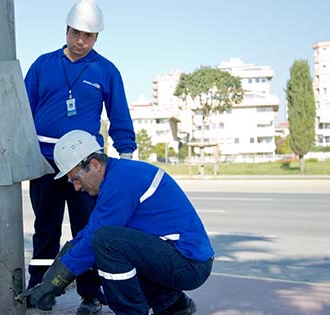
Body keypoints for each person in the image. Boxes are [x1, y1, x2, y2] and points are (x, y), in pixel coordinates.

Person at [22, 130, 214, 315]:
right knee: (104, 243)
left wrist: (54, 285)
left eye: (77, 179)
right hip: (180, 258)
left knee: (106, 242)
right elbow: (87, 235)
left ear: (95, 164)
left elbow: (93, 241)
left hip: (189, 265)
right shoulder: (118, 175)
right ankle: (173, 305)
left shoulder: (121, 182)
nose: (77, 188)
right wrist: (48, 280)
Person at [23, 0, 137, 314]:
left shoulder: (105, 70)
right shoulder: (42, 65)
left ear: (96, 37)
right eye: (77, 33)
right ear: (67, 30)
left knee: (87, 230)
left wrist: (125, 152)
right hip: (44, 162)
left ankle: (91, 294)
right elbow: (22, 112)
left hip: (87, 167)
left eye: (89, 36)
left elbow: (119, 114)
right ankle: (38, 287)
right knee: (45, 229)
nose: (81, 41)